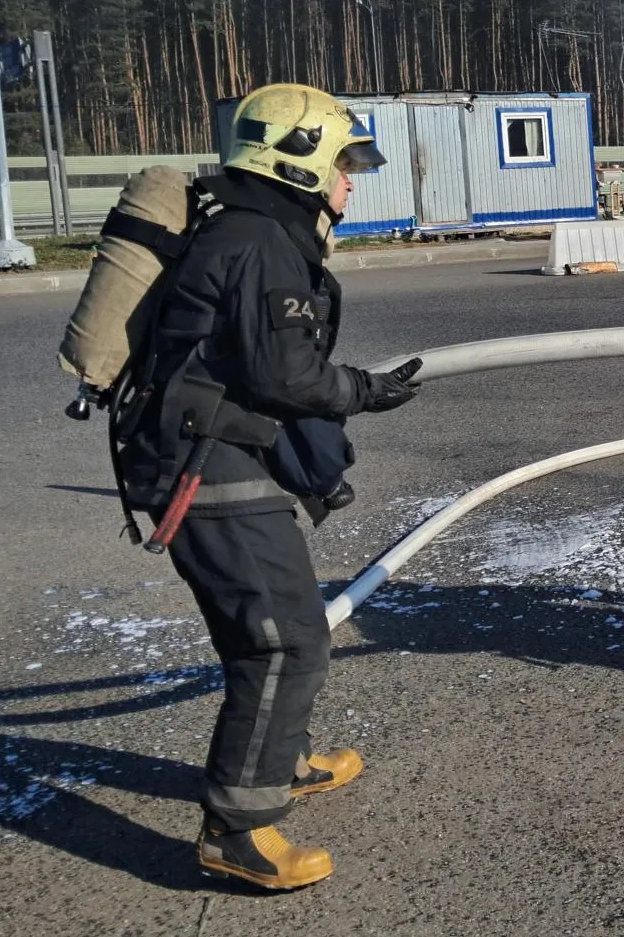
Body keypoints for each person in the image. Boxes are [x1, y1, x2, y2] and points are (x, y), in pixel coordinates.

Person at [119, 83, 425, 889]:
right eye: (343, 164)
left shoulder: (253, 230)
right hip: (202, 465)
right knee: (284, 637)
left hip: (218, 455)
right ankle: (238, 828)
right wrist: (366, 389)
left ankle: (278, 759)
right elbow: (285, 373)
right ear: (298, 163)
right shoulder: (260, 242)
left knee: (272, 622)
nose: (351, 182)